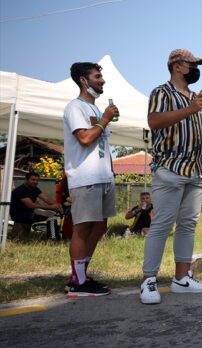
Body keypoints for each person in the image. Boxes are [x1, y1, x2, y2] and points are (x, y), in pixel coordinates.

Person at [139, 49, 202, 305]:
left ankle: (182, 278)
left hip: (196, 170)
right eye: (192, 65)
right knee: (162, 225)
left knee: (188, 225)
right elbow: (154, 121)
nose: (196, 69)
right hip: (171, 168)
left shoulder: (196, 97)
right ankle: (148, 280)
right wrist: (191, 109)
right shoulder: (161, 92)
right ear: (177, 66)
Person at [63, 62, 119, 297]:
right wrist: (105, 119)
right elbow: (85, 139)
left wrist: (111, 172)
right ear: (84, 80)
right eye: (97, 76)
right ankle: (77, 283)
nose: (102, 80)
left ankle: (81, 275)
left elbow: (101, 145)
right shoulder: (75, 107)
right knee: (83, 228)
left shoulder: (95, 110)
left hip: (104, 177)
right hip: (85, 177)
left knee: (100, 226)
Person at [9, 172, 61, 241]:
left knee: (52, 216)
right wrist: (52, 207)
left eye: (37, 180)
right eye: (33, 180)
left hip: (30, 214)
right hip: (20, 217)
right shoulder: (20, 190)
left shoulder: (35, 189)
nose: (35, 182)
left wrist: (58, 206)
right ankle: (53, 238)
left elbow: (47, 199)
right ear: (26, 180)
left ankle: (53, 238)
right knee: (18, 240)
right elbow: (31, 205)